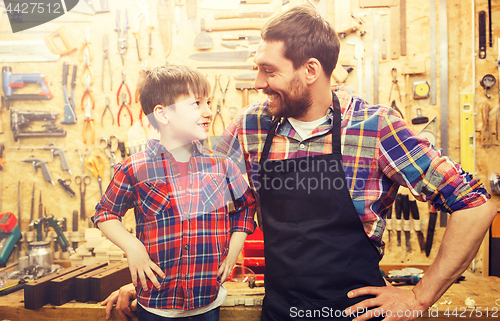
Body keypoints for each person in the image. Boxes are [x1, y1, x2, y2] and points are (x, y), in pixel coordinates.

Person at [103, 5, 497, 321]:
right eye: (257, 67)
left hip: (356, 314)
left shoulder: (375, 127)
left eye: (268, 70)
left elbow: (475, 203)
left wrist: (419, 296)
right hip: (281, 312)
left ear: (310, 70)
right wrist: (158, 284)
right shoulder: (251, 127)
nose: (257, 82)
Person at [92, 65, 256, 321]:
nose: (208, 111)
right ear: (163, 114)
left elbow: (246, 206)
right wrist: (133, 246)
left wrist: (233, 251)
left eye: (209, 102)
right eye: (197, 104)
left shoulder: (222, 166)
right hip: (156, 304)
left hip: (207, 303)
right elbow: (105, 213)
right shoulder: (134, 168)